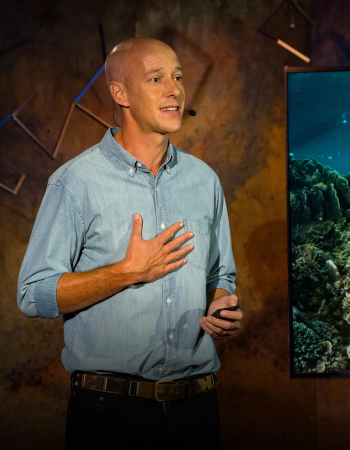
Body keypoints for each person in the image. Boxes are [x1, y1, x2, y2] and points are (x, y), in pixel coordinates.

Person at [16, 37, 242, 448]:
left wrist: (220, 301)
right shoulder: (75, 182)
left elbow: (221, 273)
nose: (175, 90)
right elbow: (33, 295)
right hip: (109, 415)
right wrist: (126, 272)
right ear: (120, 93)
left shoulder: (204, 180)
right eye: (156, 79)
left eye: (177, 77)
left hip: (197, 409)